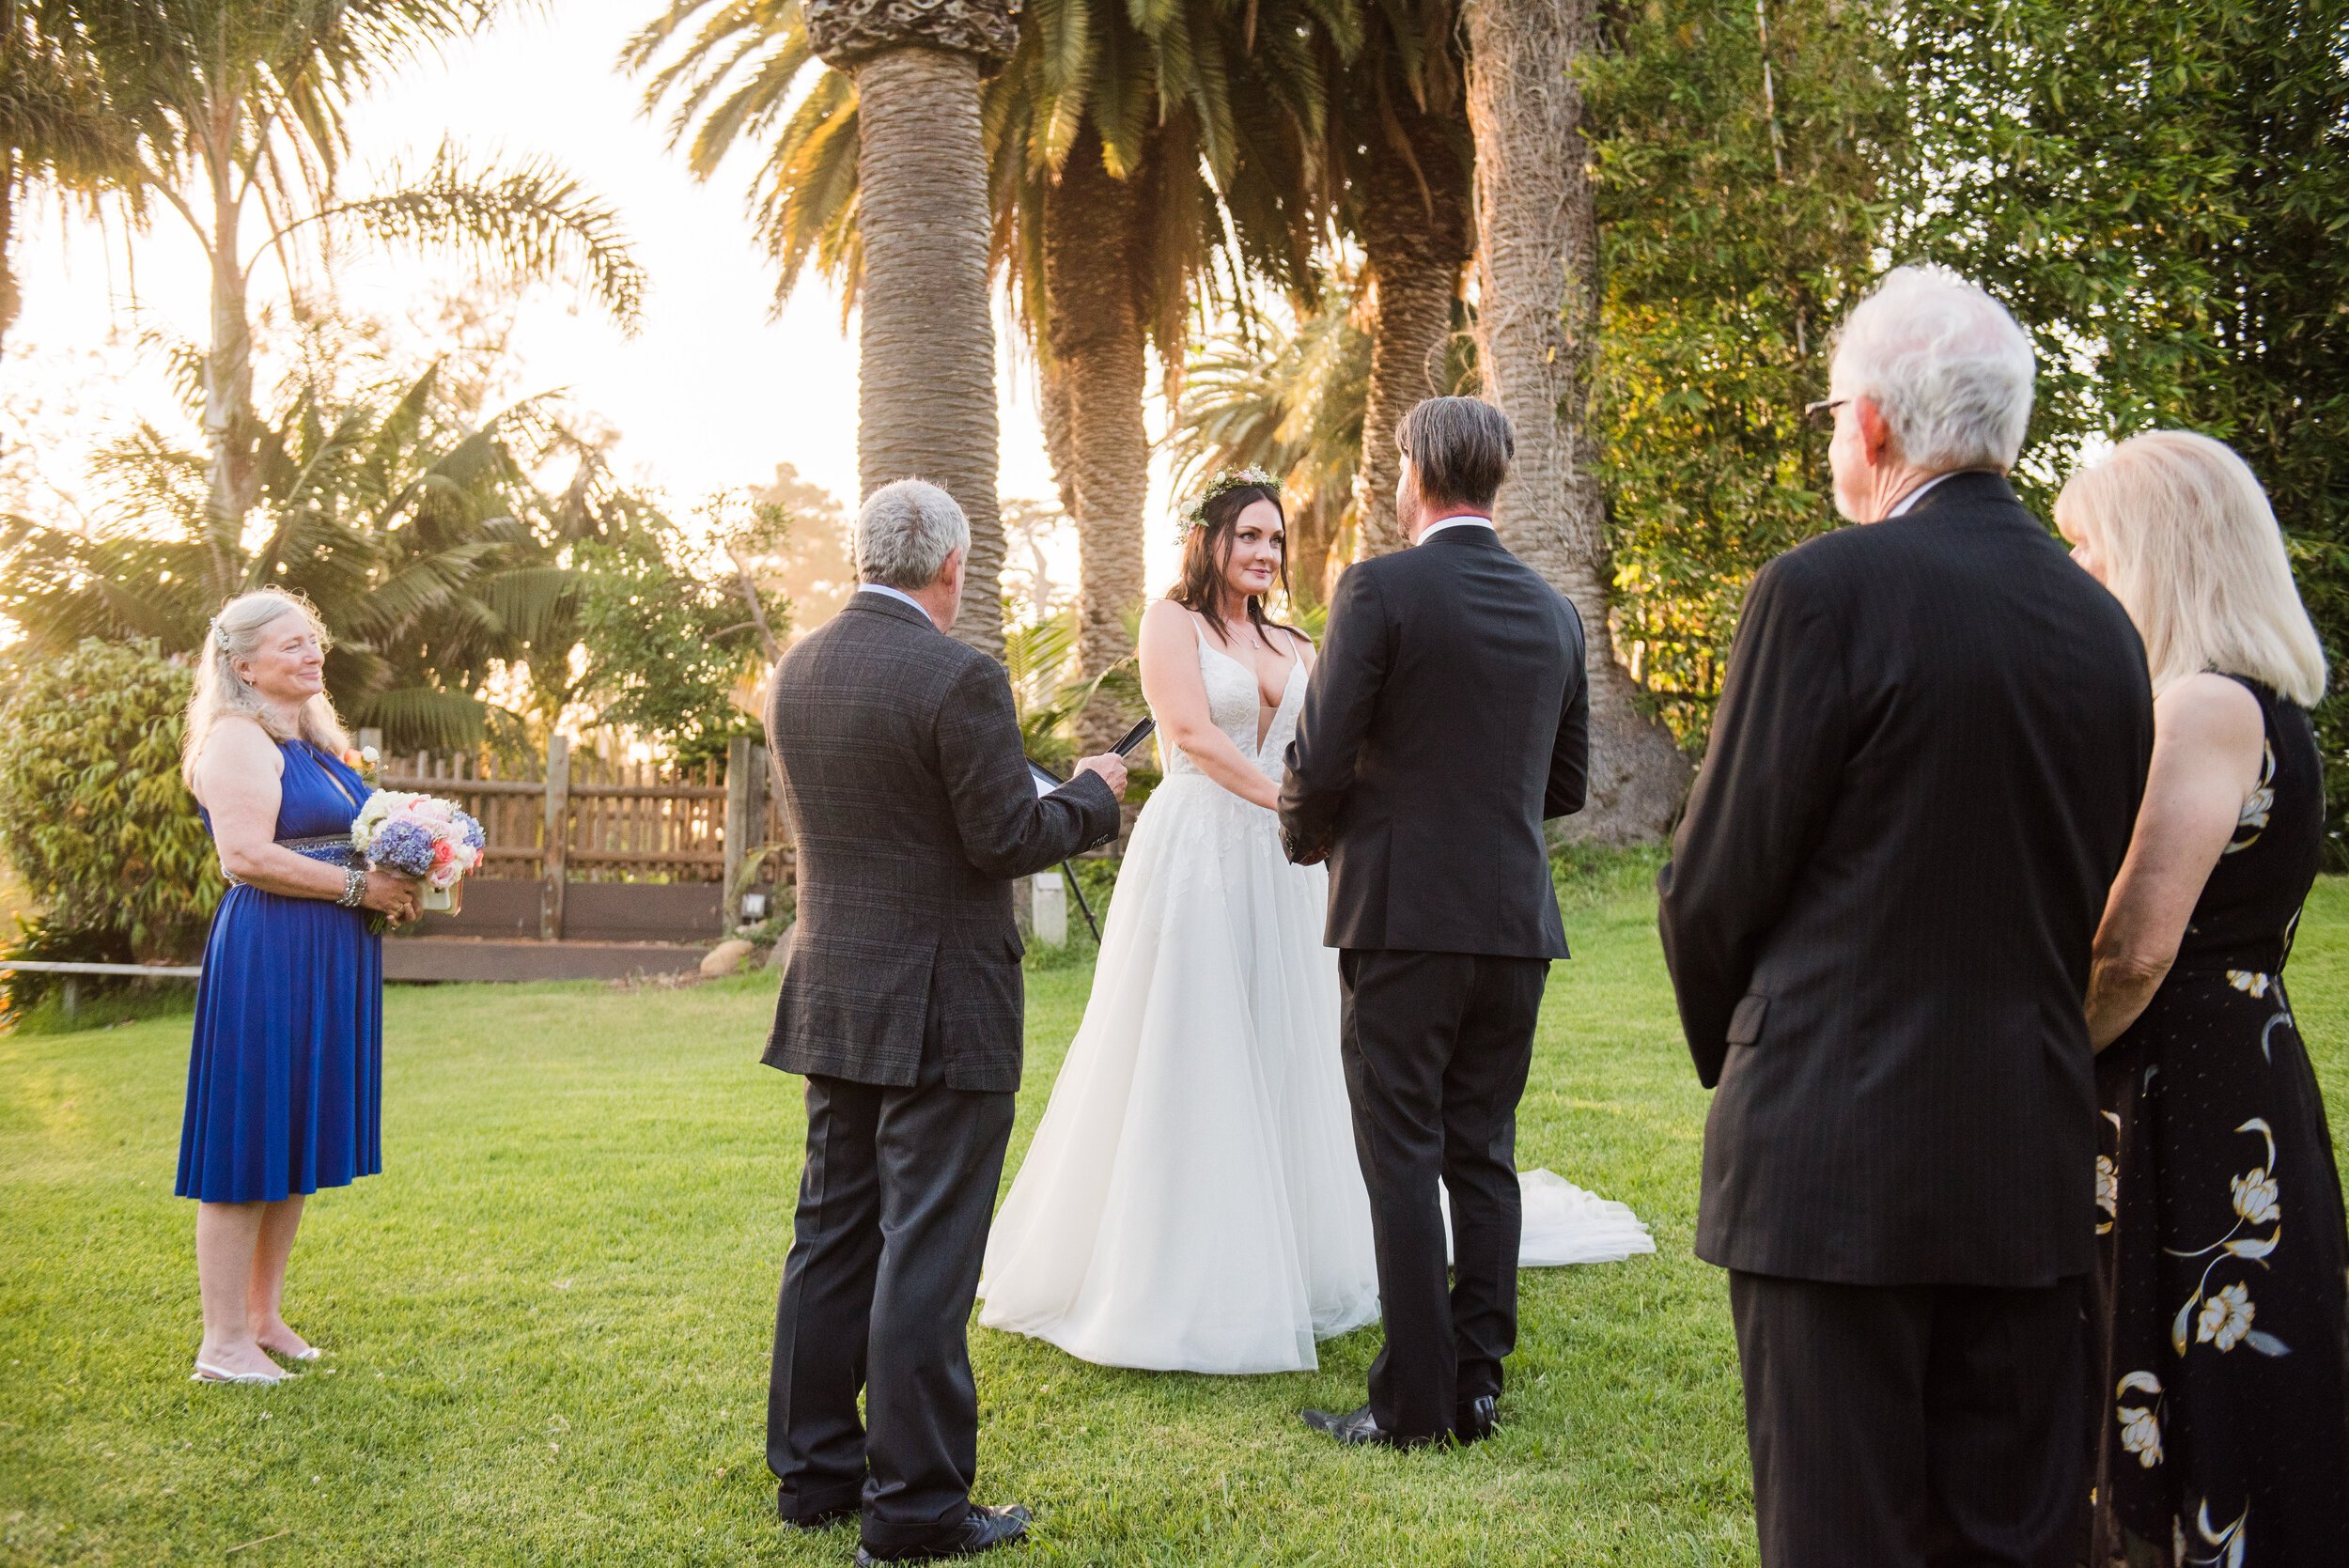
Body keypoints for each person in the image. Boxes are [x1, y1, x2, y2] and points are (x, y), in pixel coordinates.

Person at [1656, 266, 2155, 1566]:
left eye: (1832, 414)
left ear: (1871, 423)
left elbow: (1715, 884)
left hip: (1832, 1161)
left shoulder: (1825, 590)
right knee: (2016, 1534)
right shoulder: (2107, 631)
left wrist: (1759, 1050)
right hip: (2029, 1153)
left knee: (1840, 1535)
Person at [761, 479, 1128, 1565]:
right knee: (925, 1247)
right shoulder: (961, 674)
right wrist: (1096, 794)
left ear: (863, 555)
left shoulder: (800, 666)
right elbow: (1004, 834)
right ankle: (916, 1509)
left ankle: (815, 1473)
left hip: (837, 987)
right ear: (953, 567)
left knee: (831, 1233)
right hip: (941, 1005)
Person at [977, 470, 1382, 1373]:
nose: (1264, 554)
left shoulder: (1294, 636)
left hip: (1285, 866)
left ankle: (1297, 1249)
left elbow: (1329, 740)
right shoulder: (1173, 623)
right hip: (1202, 848)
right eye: (1247, 536)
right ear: (1209, 541)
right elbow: (1192, 735)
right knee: (1190, 1039)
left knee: (1290, 1038)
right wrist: (1294, 804)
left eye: (1275, 540)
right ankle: (1170, 1263)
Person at [2058, 431, 2349, 1565]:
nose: (2074, 572)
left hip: (2190, 1090)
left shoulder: (2206, 706)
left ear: (2158, 554)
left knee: (2194, 1371)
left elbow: (2133, 947)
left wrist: (2047, 1053)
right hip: (2229, 1069)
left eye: (2089, 547)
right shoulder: (2258, 702)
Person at [1281, 396, 1592, 1449]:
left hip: (1402, 916)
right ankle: (1477, 1382)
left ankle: (1413, 1403)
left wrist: (1306, 834)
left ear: (1412, 471)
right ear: (1493, 479)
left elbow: (1319, 760)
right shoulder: (1556, 612)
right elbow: (1565, 784)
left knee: (1401, 1152)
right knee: (1483, 1149)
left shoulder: (1378, 587)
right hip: (1512, 920)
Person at [176, 588, 421, 1385]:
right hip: (273, 952)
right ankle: (222, 1344)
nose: (313, 653)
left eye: (313, 641)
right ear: (243, 664)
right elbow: (243, 855)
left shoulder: (309, 742)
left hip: (325, 952)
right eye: (291, 645)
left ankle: (262, 1317)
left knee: (292, 1139)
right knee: (250, 1140)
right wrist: (359, 891)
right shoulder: (239, 740)